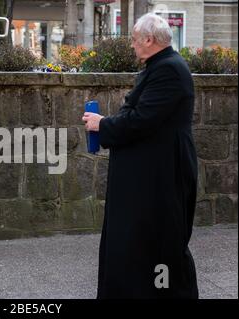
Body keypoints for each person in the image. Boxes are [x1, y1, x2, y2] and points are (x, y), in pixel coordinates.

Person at [82, 13, 199, 298]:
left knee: (159, 241)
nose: (132, 46)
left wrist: (103, 125)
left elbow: (142, 119)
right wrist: (107, 122)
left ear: (149, 40)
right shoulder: (160, 66)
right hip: (150, 174)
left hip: (161, 177)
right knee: (137, 242)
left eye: (135, 40)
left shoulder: (169, 69)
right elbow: (140, 116)